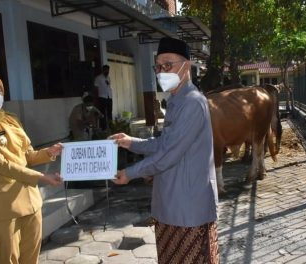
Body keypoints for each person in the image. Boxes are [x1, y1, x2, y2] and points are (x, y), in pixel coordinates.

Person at [109, 37, 219, 264]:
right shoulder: (176, 100)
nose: (161, 71)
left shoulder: (192, 103)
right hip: (170, 203)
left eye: (167, 65)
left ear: (186, 66)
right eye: (157, 66)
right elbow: (163, 143)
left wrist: (129, 173)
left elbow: (168, 154)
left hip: (189, 210)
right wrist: (131, 142)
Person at [0, 74, 63, 264]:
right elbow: (0, 164)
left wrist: (49, 152)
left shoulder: (11, 120)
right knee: (9, 259)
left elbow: (27, 156)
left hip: (30, 200)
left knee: (31, 257)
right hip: (2, 204)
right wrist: (42, 177)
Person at [94, 65, 112, 130]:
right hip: (102, 97)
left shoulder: (108, 77)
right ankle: (103, 127)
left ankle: (111, 126)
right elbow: (96, 88)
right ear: (103, 70)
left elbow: (109, 87)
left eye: (108, 70)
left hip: (109, 97)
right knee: (103, 113)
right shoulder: (98, 78)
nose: (107, 71)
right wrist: (96, 98)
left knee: (109, 112)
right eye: (106, 70)